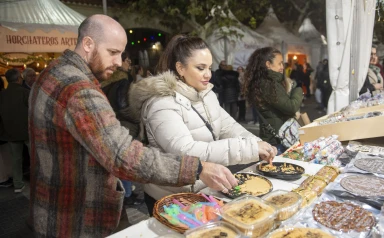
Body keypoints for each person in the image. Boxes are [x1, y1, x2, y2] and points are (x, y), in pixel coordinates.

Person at [28, 15, 238, 237]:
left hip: (52, 206)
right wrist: (197, 169)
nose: (119, 62)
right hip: (79, 218)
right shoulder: (79, 90)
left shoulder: (53, 71)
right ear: (88, 44)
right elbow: (124, 156)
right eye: (112, 52)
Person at [128, 35, 277, 215]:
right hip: (173, 197)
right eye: (200, 68)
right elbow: (185, 151)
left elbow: (228, 126)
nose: (208, 74)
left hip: (204, 188)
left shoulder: (206, 94)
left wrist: (256, 142)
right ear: (180, 68)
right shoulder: (161, 103)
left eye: (209, 68)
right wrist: (250, 148)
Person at [100, 51, 143, 206]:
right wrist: (137, 119)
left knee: (118, 160)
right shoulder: (123, 80)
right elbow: (122, 105)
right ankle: (127, 195)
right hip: (124, 125)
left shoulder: (105, 81)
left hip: (111, 123)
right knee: (126, 160)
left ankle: (123, 193)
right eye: (128, 62)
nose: (129, 65)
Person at [243, 47, 303, 155]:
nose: (282, 67)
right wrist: (298, 90)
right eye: (279, 63)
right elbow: (291, 107)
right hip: (278, 140)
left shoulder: (266, 82)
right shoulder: (269, 84)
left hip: (274, 136)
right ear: (268, 64)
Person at [0, 68, 30, 193]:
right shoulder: (25, 92)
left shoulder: (2, 94)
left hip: (10, 132)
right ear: (19, 78)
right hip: (27, 131)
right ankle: (39, 183)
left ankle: (18, 184)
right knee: (35, 158)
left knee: (16, 160)